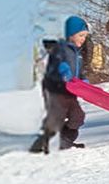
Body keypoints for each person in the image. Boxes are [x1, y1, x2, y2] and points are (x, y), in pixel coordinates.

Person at [30, 16, 92, 154]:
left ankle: (64, 140)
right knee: (56, 118)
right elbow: (58, 62)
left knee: (77, 116)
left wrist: (83, 80)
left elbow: (78, 72)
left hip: (69, 91)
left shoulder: (77, 53)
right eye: (81, 35)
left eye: (85, 36)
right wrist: (63, 69)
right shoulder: (61, 48)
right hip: (55, 90)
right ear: (71, 34)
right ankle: (40, 144)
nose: (83, 39)